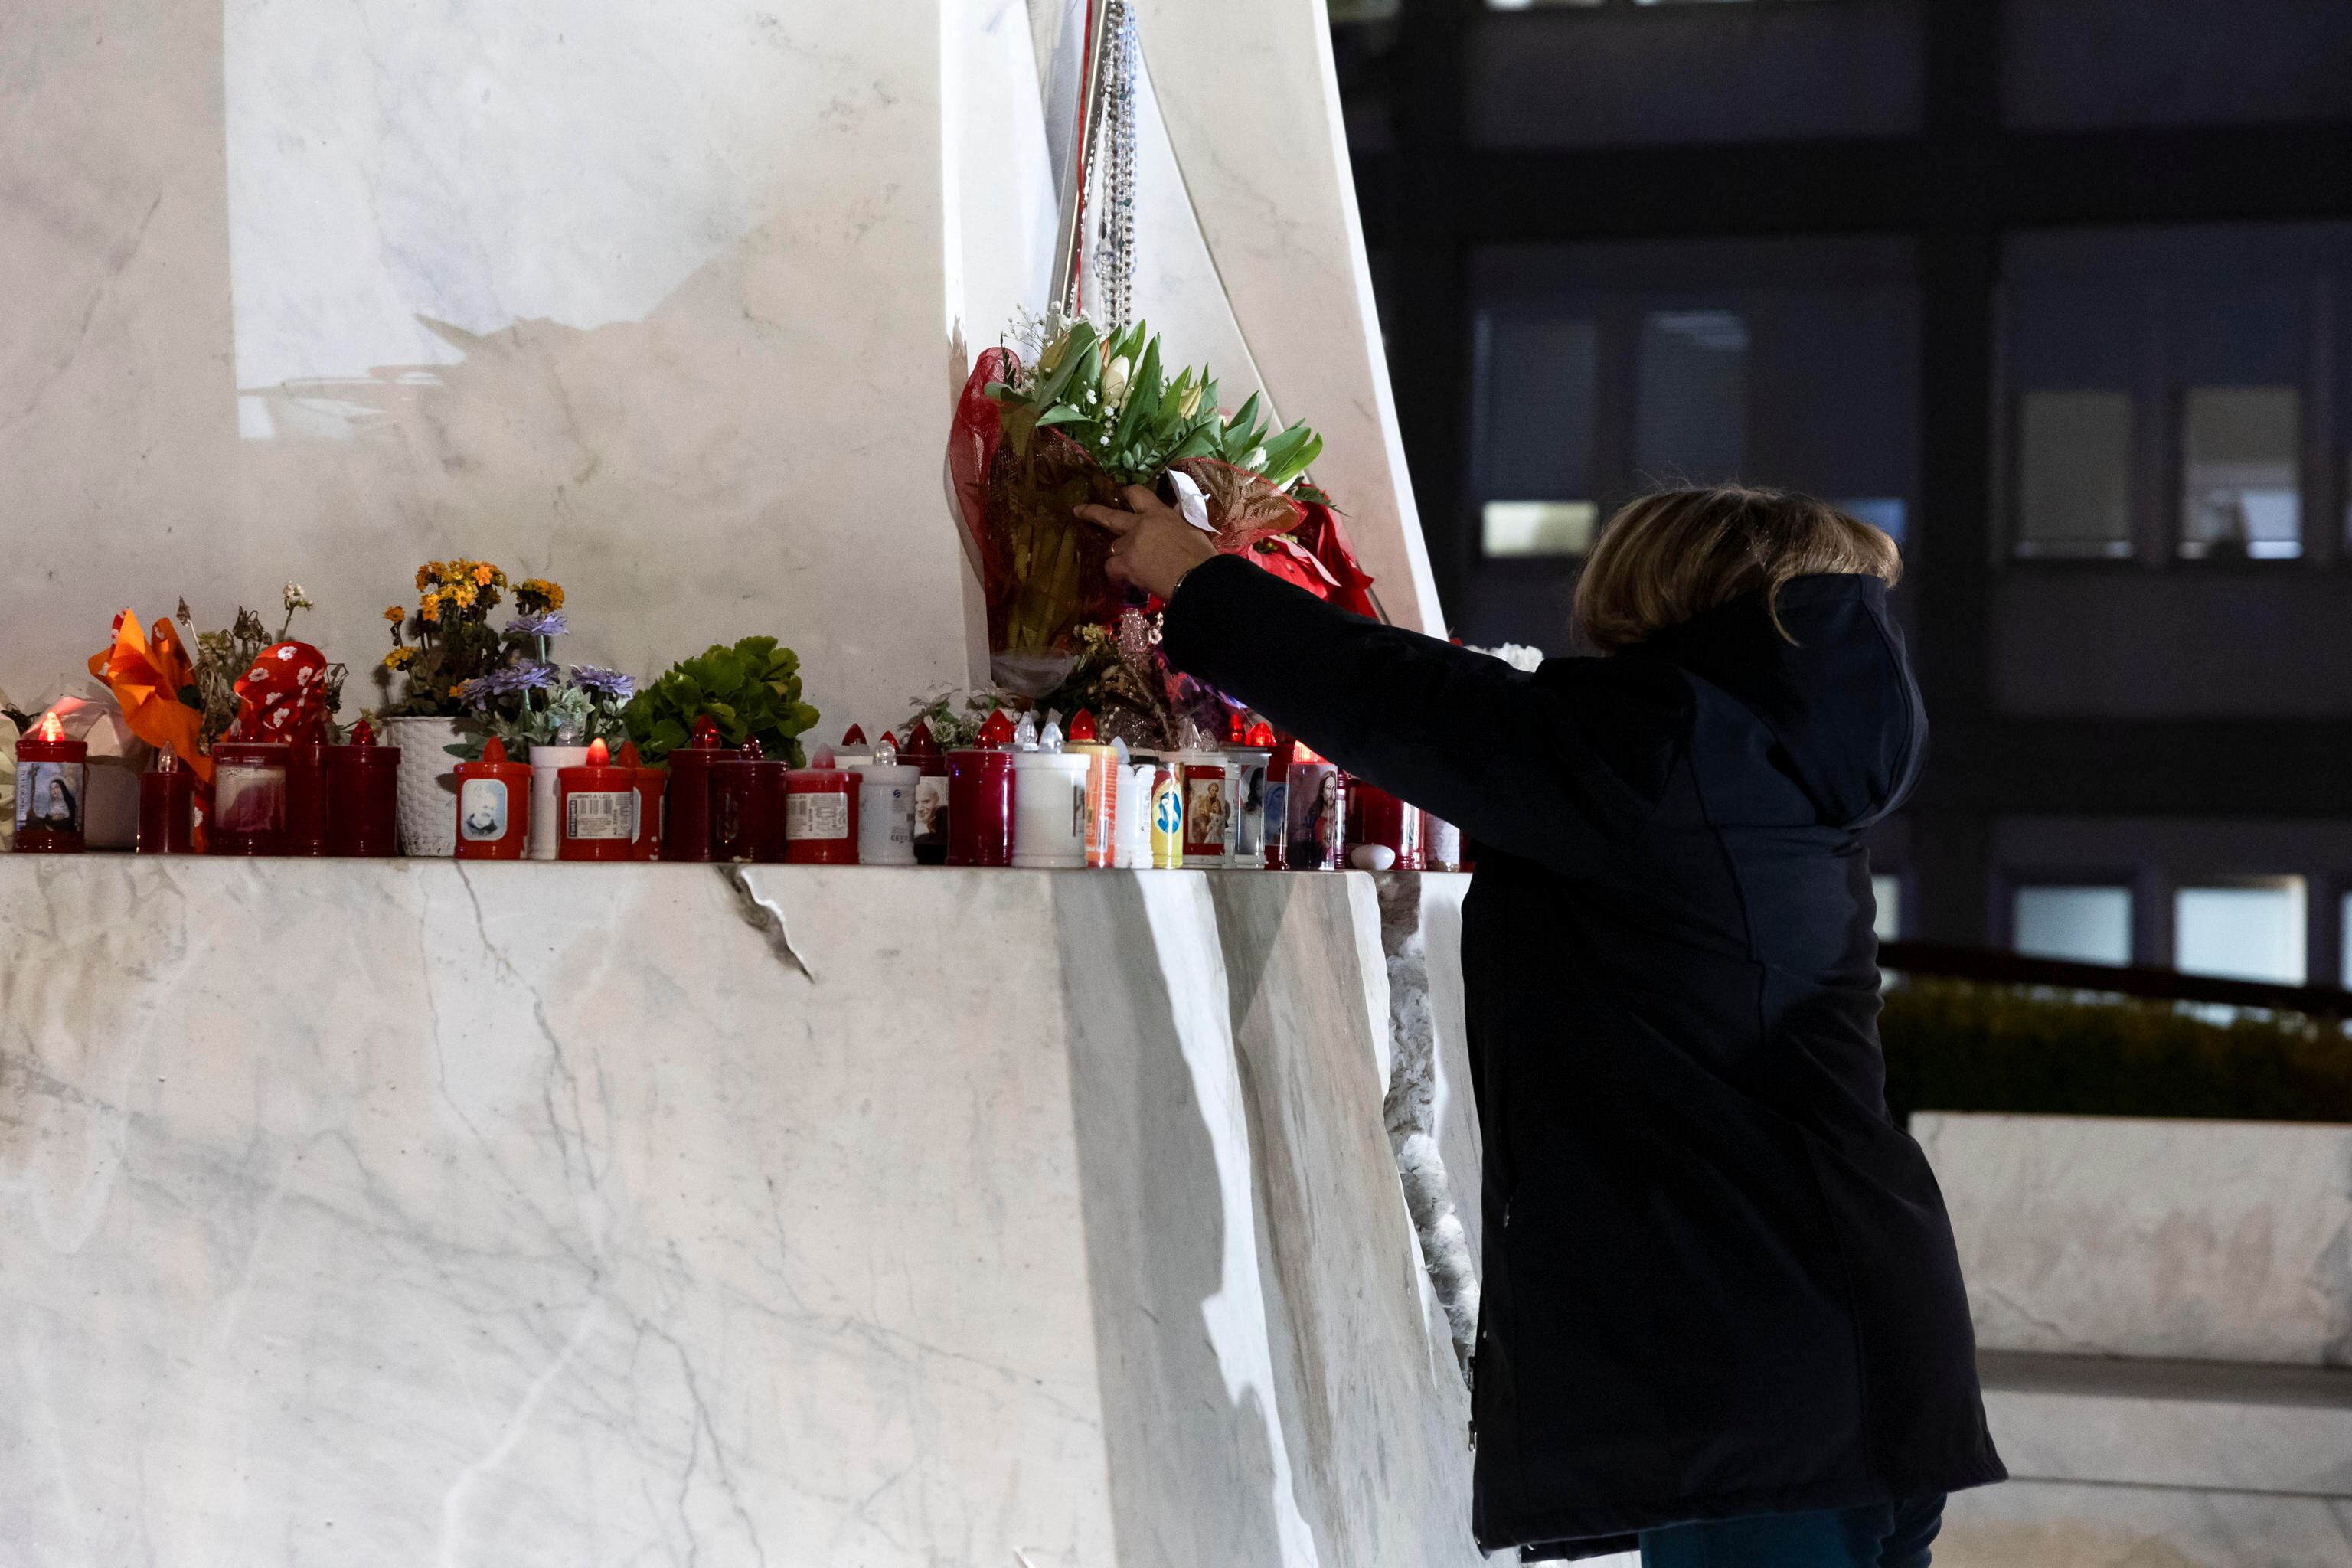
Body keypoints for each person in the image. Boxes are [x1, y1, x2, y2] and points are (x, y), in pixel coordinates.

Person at [1079, 483, 2004, 1567]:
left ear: (1667, 586)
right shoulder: (1764, 761)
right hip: (1834, 1346)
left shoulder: (1671, 753)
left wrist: (1198, 581)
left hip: (1759, 1375)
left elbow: (1419, 707)